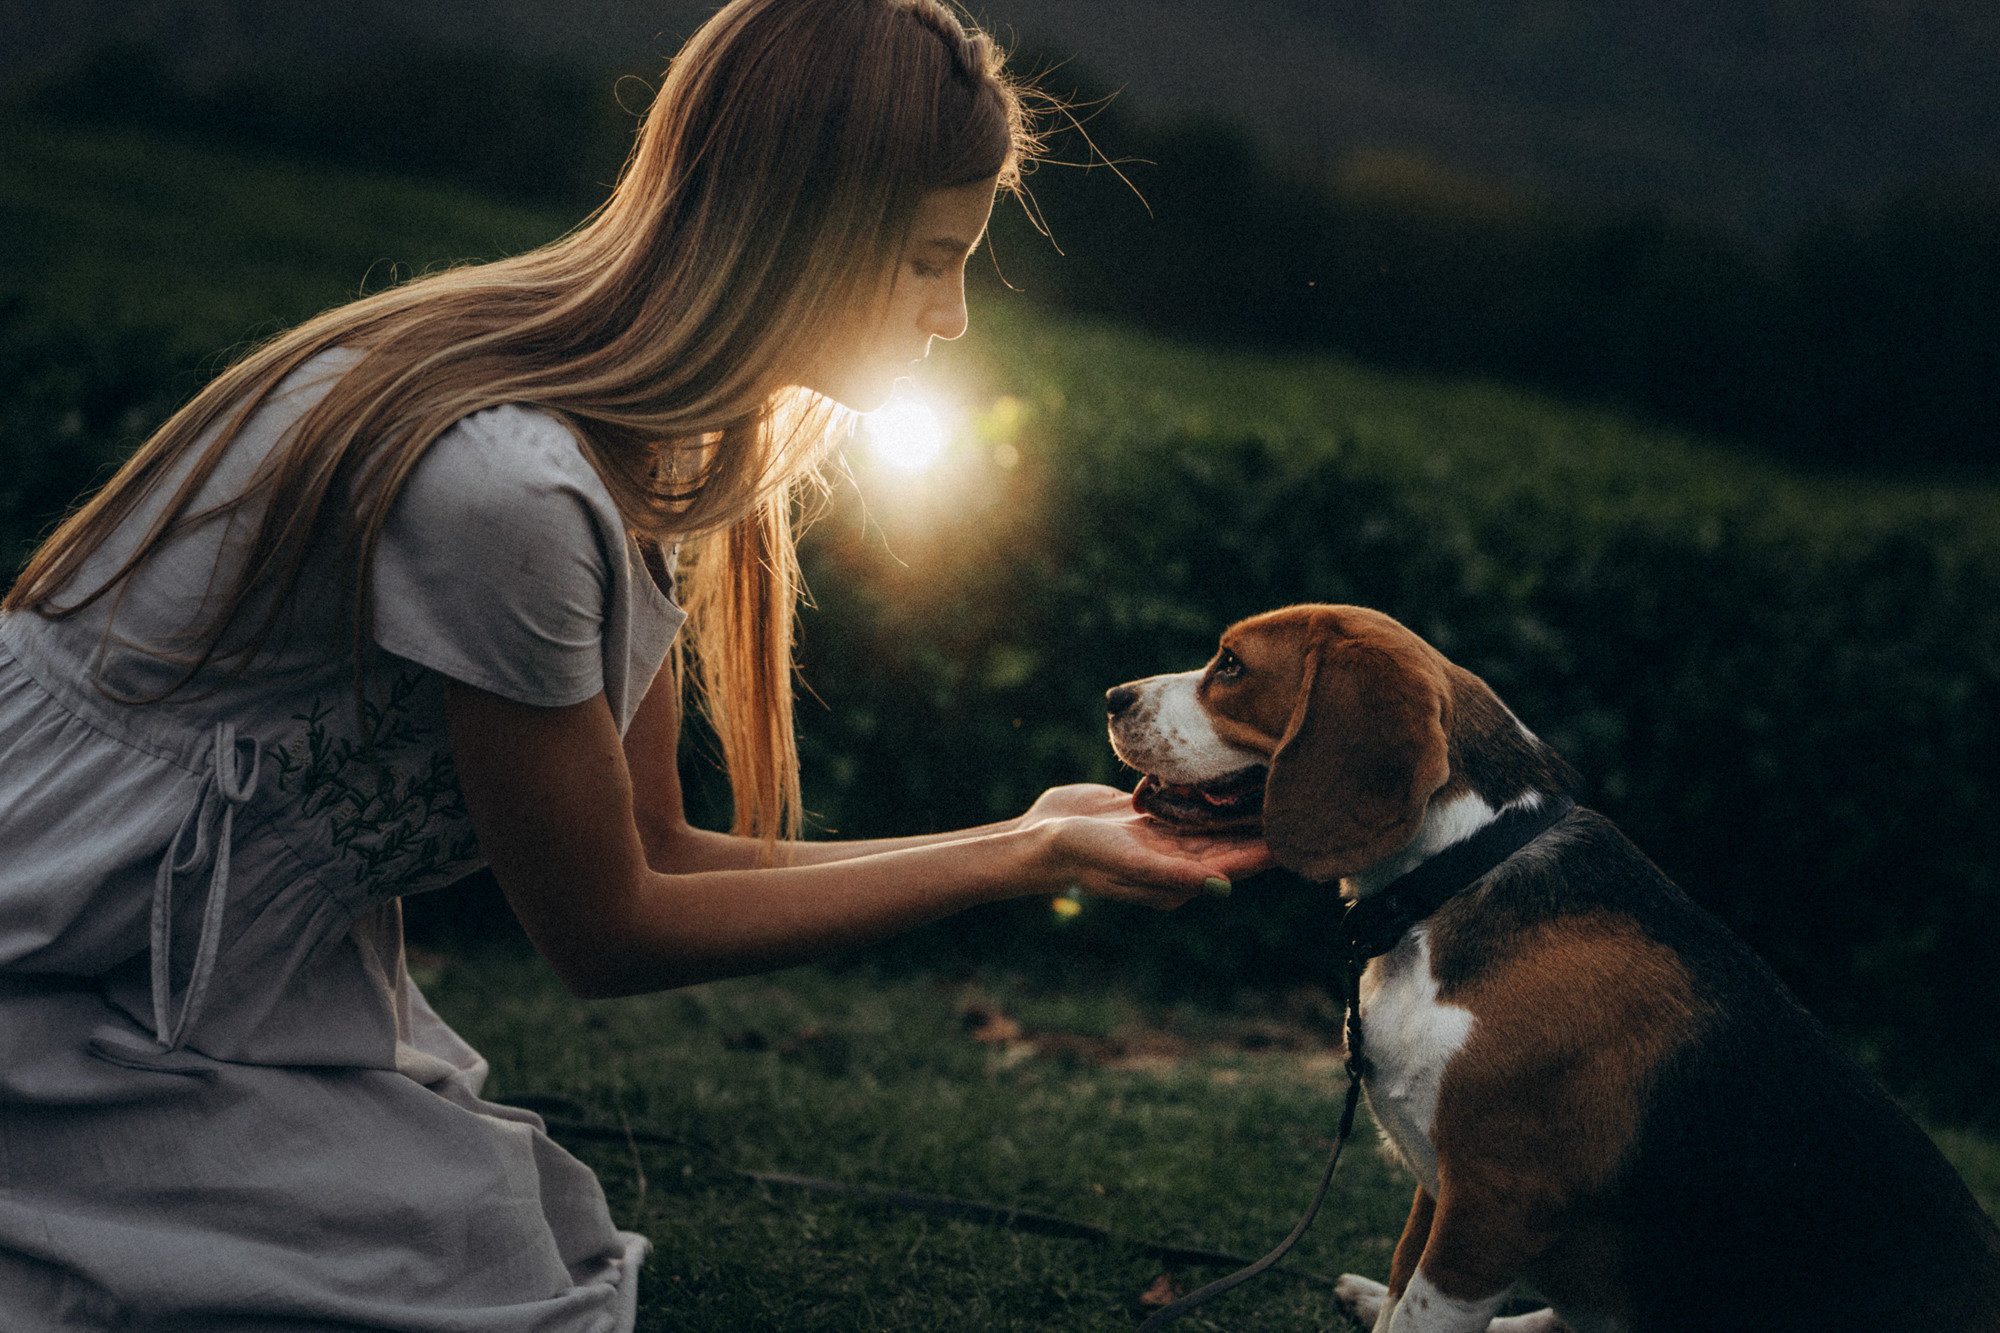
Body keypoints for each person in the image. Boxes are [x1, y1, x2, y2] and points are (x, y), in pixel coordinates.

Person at [0, 0, 1268, 1327]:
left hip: (199, 972)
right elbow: (604, 928)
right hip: (54, 956)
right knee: (489, 1283)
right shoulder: (508, 488)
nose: (952, 314)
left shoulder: (644, 459)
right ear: (797, 227)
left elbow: (655, 847)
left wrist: (1027, 832)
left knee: (510, 1245)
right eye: (926, 259)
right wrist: (1024, 857)